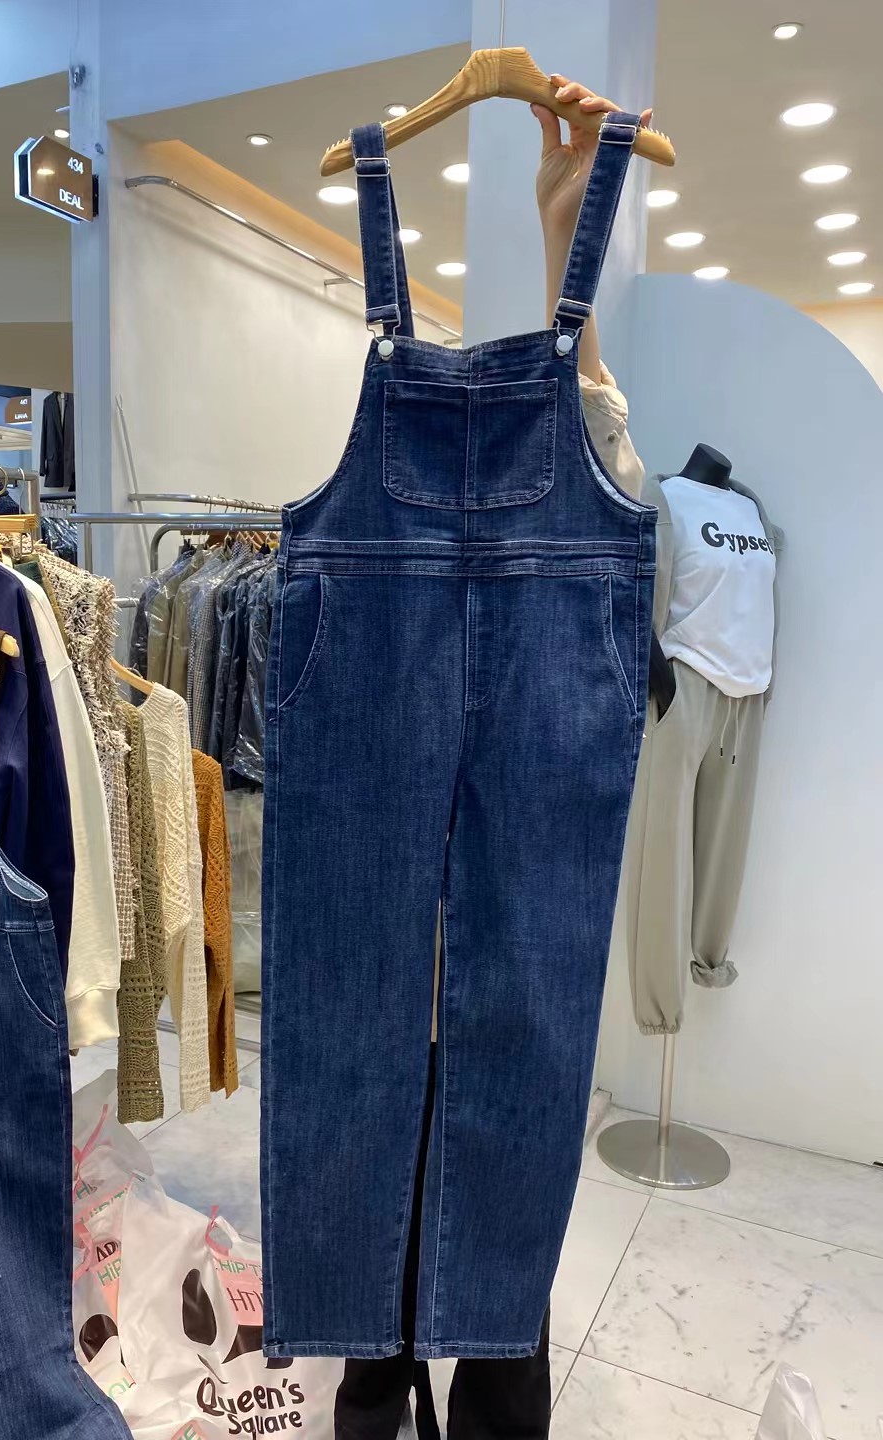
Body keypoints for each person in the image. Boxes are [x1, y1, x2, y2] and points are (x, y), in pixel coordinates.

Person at [333, 76, 649, 1440]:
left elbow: (621, 496)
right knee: (371, 1294)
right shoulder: (372, 388)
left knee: (506, 1318)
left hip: (513, 974)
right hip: (378, 968)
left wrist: (569, 233)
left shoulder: (591, 450)